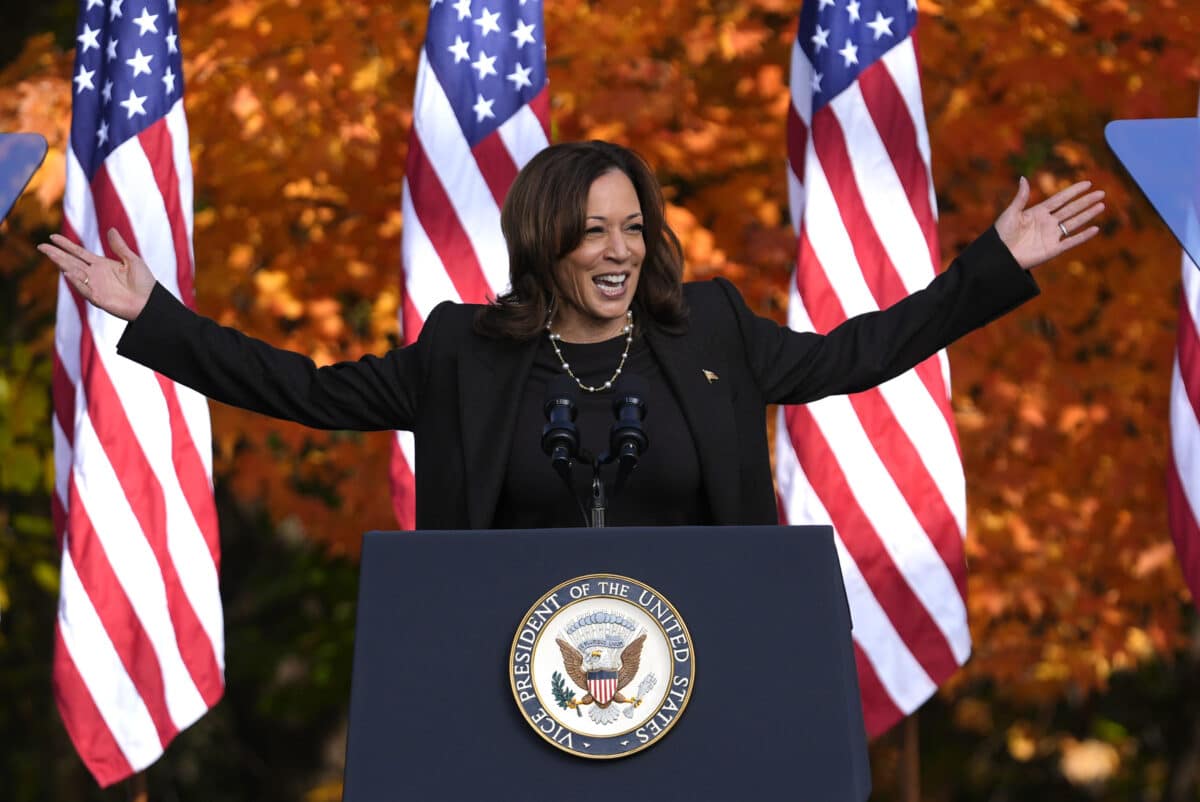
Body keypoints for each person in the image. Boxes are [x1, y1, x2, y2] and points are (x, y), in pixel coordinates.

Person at [39, 140, 1104, 531]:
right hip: (510, 684)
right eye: (593, 229)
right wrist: (154, 316)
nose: (620, 250)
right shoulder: (466, 348)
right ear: (544, 241)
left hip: (701, 673)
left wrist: (992, 264)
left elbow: (858, 354)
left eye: (634, 227)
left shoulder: (715, 329)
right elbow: (309, 390)